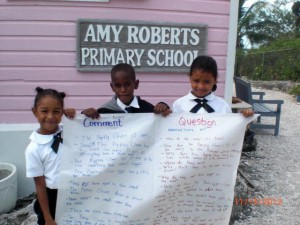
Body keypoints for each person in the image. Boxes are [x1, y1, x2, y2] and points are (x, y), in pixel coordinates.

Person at [25, 87, 74, 225]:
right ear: (35, 112)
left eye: (56, 111)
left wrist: (75, 116)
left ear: (62, 112)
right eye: (44, 111)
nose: (51, 116)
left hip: (72, 193)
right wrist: (48, 218)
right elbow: (40, 185)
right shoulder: (33, 149)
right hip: (50, 198)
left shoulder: (70, 131)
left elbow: (87, 128)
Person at [173, 55, 254, 117]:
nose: (201, 86)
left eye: (207, 82)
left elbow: (230, 132)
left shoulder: (223, 106)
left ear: (215, 81)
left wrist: (244, 120)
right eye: (196, 81)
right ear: (190, 78)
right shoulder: (178, 105)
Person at [82, 63, 171, 118]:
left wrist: (164, 106)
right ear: (112, 87)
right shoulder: (103, 112)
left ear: (136, 84)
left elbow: (163, 123)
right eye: (118, 86)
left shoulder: (148, 109)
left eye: (127, 84)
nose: (123, 90)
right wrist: (84, 114)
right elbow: (86, 128)